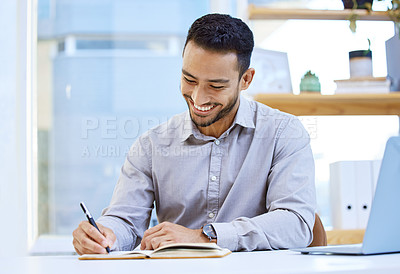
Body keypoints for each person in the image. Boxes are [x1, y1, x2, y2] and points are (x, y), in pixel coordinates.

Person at [72, 13, 316, 255]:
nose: (198, 98)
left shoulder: (284, 134)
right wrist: (105, 235)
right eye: (189, 79)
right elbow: (125, 220)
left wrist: (205, 236)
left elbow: (296, 224)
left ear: (246, 80)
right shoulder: (151, 145)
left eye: (216, 86)